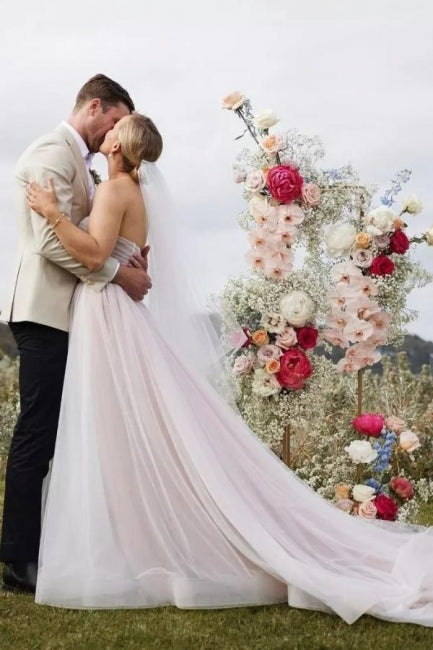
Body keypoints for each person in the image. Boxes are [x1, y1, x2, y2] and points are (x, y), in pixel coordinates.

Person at [25, 113, 433, 627]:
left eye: (115, 126)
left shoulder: (114, 192)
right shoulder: (130, 190)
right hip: (112, 308)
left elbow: (94, 252)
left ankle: (134, 542)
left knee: (115, 426)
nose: (106, 130)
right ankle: (133, 537)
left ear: (118, 141)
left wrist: (52, 214)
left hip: (107, 311)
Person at [0, 75, 152, 594]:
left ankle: (54, 545)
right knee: (38, 431)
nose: (118, 135)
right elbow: (49, 241)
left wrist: (124, 256)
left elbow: (90, 236)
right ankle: (19, 560)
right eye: (115, 122)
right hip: (43, 311)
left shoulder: (89, 168)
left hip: (74, 312)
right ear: (95, 107)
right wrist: (117, 272)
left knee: (63, 432)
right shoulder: (50, 152)